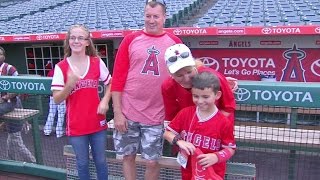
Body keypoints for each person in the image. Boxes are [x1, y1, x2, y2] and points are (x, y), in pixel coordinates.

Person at [111, 0, 182, 179]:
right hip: (128, 112)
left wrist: (221, 80)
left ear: (164, 17)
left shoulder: (174, 42)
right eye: (148, 16)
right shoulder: (130, 40)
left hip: (156, 115)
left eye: (156, 16)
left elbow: (188, 72)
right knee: (127, 156)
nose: (151, 20)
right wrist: (118, 113)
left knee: (152, 161)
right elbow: (118, 78)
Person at [50, 24, 111, 180]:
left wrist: (105, 100)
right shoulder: (61, 67)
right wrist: (69, 85)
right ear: (68, 41)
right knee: (82, 163)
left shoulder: (97, 62)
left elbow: (111, 83)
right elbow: (57, 99)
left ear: (87, 42)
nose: (76, 41)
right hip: (76, 124)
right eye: (72, 38)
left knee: (101, 161)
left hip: (97, 121)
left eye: (80, 38)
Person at [163, 71, 236, 180]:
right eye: (196, 96)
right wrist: (179, 141)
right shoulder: (185, 113)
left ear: (217, 95)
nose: (200, 101)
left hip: (212, 173)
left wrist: (216, 157)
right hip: (188, 171)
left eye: (205, 97)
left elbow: (230, 149)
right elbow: (167, 133)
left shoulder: (223, 122)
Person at [162, 43, 236, 124]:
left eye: (189, 72)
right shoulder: (168, 86)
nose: (186, 79)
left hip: (218, 126)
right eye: (179, 75)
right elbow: (172, 117)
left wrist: (205, 126)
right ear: (171, 75)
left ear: (194, 66)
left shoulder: (215, 77)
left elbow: (228, 107)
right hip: (188, 129)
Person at [0, 46, 36, 163]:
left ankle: (34, 163)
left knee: (15, 138)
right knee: (12, 138)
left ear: (4, 56)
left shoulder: (9, 69)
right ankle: (12, 162)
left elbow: (18, 88)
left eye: (0, 54)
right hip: (6, 108)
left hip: (11, 104)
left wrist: (5, 98)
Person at [44, 67, 66, 138]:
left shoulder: (51, 72)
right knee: (61, 114)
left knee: (51, 113)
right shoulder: (63, 71)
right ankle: (59, 133)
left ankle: (47, 130)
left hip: (52, 95)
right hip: (61, 95)